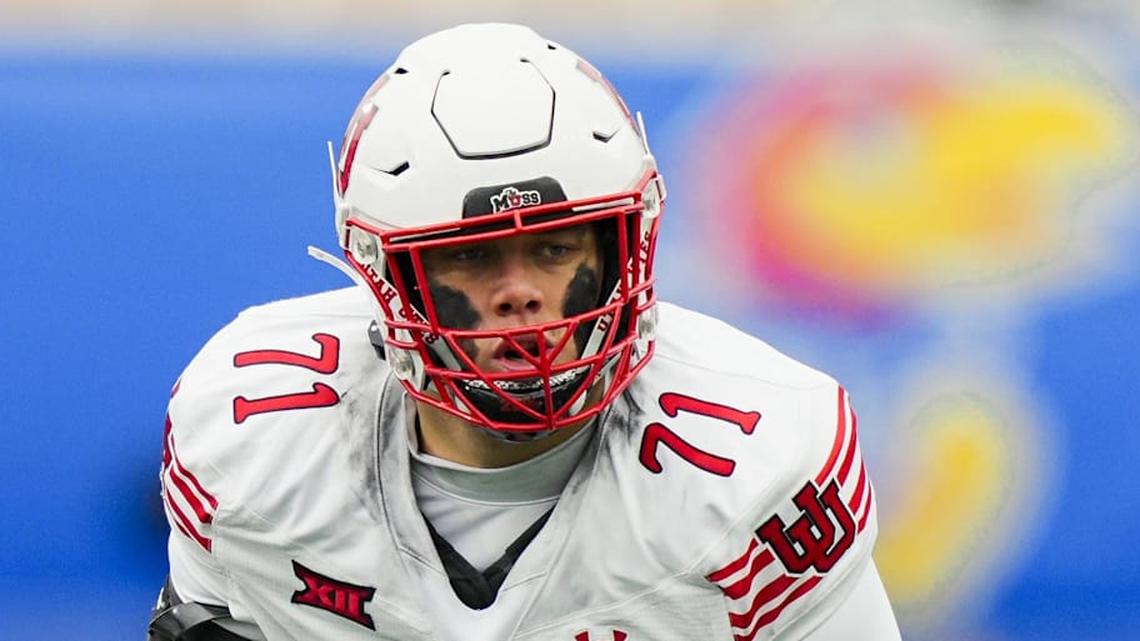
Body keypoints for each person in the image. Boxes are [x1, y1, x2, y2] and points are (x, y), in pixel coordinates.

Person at [148, 23, 901, 641]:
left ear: (618, 248)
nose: (521, 296)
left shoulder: (760, 465)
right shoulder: (253, 438)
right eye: (472, 255)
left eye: (554, 247)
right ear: (385, 272)